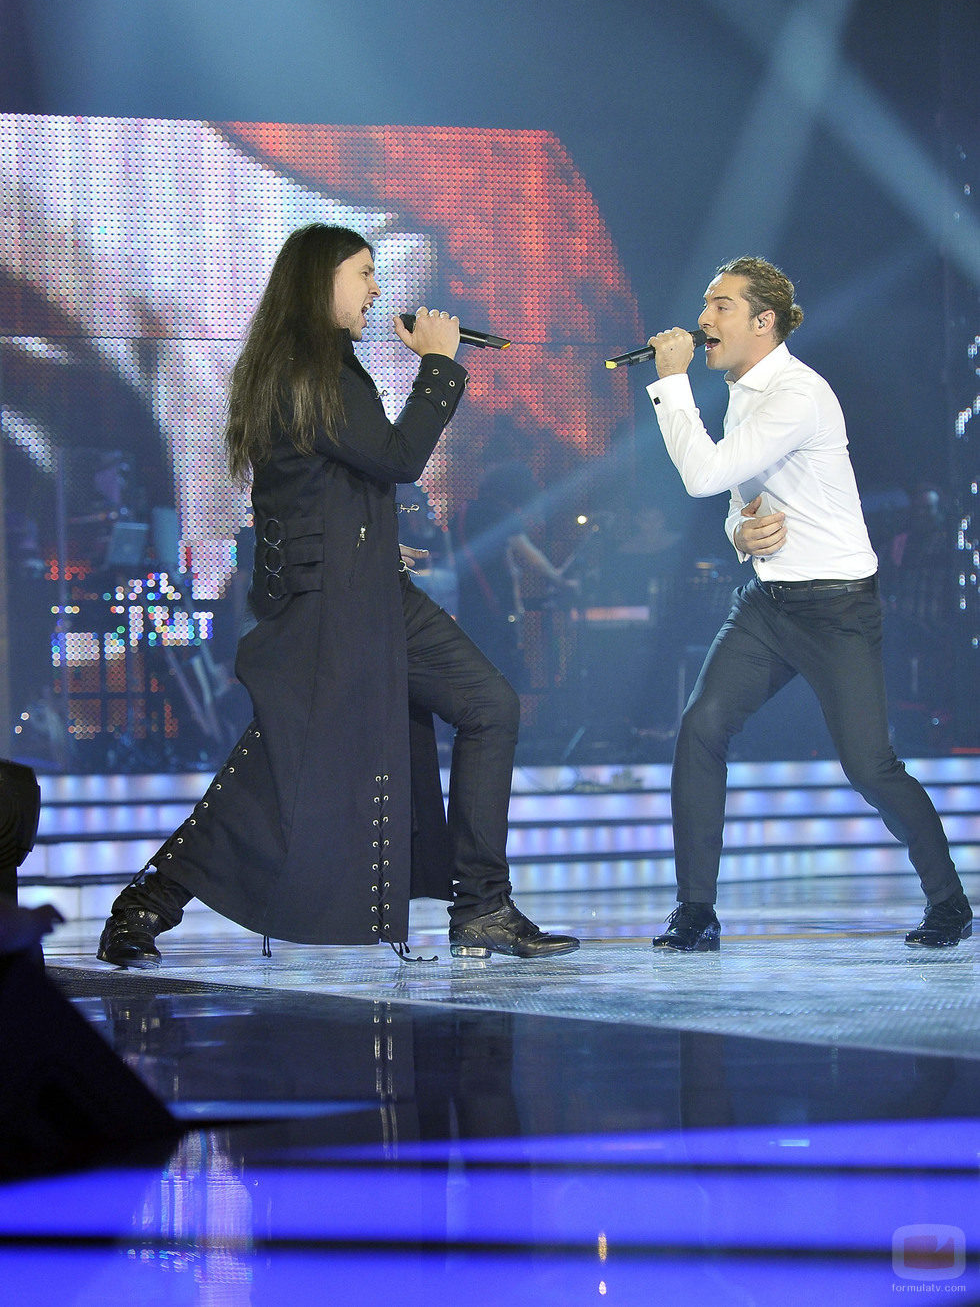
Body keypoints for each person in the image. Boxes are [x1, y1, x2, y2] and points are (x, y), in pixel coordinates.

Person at [97, 223, 579, 966]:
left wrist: (378, 539)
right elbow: (395, 456)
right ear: (320, 280)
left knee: (489, 705)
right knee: (277, 765)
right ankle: (148, 901)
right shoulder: (305, 366)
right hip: (331, 606)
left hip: (368, 593)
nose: (377, 289)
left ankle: (482, 906)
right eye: (363, 272)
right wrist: (441, 368)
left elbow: (330, 483)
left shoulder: (319, 365)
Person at [643, 256, 972, 952]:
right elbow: (738, 494)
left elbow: (703, 474)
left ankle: (950, 902)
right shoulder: (741, 389)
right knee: (701, 728)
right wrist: (740, 531)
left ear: (763, 322)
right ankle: (694, 911)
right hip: (770, 603)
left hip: (838, 608)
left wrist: (670, 380)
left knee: (869, 765)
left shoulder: (798, 393)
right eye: (706, 305)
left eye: (720, 306)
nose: (704, 321)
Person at [453, 461, 573, 689]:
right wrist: (560, 580)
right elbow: (530, 556)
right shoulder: (499, 513)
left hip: (467, 604)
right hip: (494, 606)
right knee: (499, 672)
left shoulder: (465, 511)